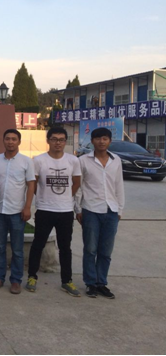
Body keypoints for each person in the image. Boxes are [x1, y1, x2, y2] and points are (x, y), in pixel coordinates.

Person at [26, 127, 81, 296]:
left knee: (65, 247)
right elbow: (33, 183)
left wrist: (66, 197)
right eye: (54, 139)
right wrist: (43, 197)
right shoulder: (39, 160)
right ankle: (32, 277)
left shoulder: (73, 161)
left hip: (65, 211)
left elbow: (76, 182)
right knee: (38, 244)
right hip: (45, 210)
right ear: (48, 140)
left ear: (65, 142)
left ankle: (67, 281)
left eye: (61, 140)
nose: (58, 143)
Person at [75, 127, 124, 299]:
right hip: (90, 210)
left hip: (111, 211)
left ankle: (101, 283)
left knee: (106, 251)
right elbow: (79, 186)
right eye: (97, 138)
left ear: (109, 141)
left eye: (105, 138)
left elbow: (119, 185)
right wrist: (78, 209)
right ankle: (90, 283)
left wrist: (120, 209)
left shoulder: (116, 160)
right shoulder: (83, 161)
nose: (101, 142)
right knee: (90, 249)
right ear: (92, 141)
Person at [0, 129, 35, 294]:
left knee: (17, 249)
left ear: (19, 142)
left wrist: (27, 207)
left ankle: (16, 280)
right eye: (7, 139)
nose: (10, 142)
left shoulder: (26, 161)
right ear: (3, 141)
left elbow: (31, 184)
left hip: (17, 211)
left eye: (14, 139)